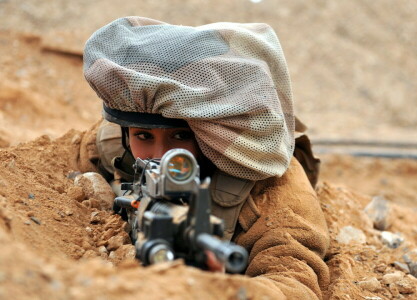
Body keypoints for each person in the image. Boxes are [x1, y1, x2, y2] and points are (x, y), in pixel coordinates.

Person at [79, 16, 330, 299]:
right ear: (125, 133)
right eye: (143, 137)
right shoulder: (113, 145)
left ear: (213, 133)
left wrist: (219, 289)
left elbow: (294, 277)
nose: (162, 156)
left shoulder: (272, 183)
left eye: (181, 137)